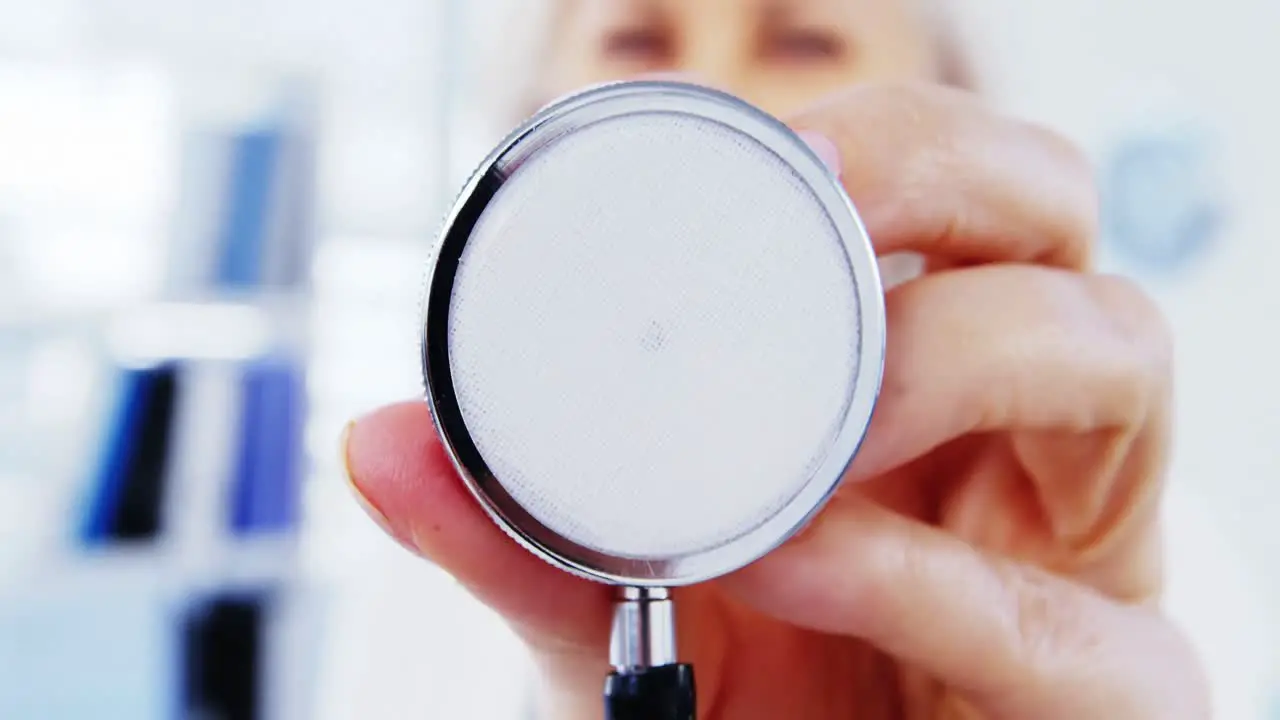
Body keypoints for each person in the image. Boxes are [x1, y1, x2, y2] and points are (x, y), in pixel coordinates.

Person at [341, 0, 1211, 717]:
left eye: (807, 42)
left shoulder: (1123, 576)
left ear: (954, 107)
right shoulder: (415, 609)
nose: (708, 95)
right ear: (525, 127)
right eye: (636, 41)